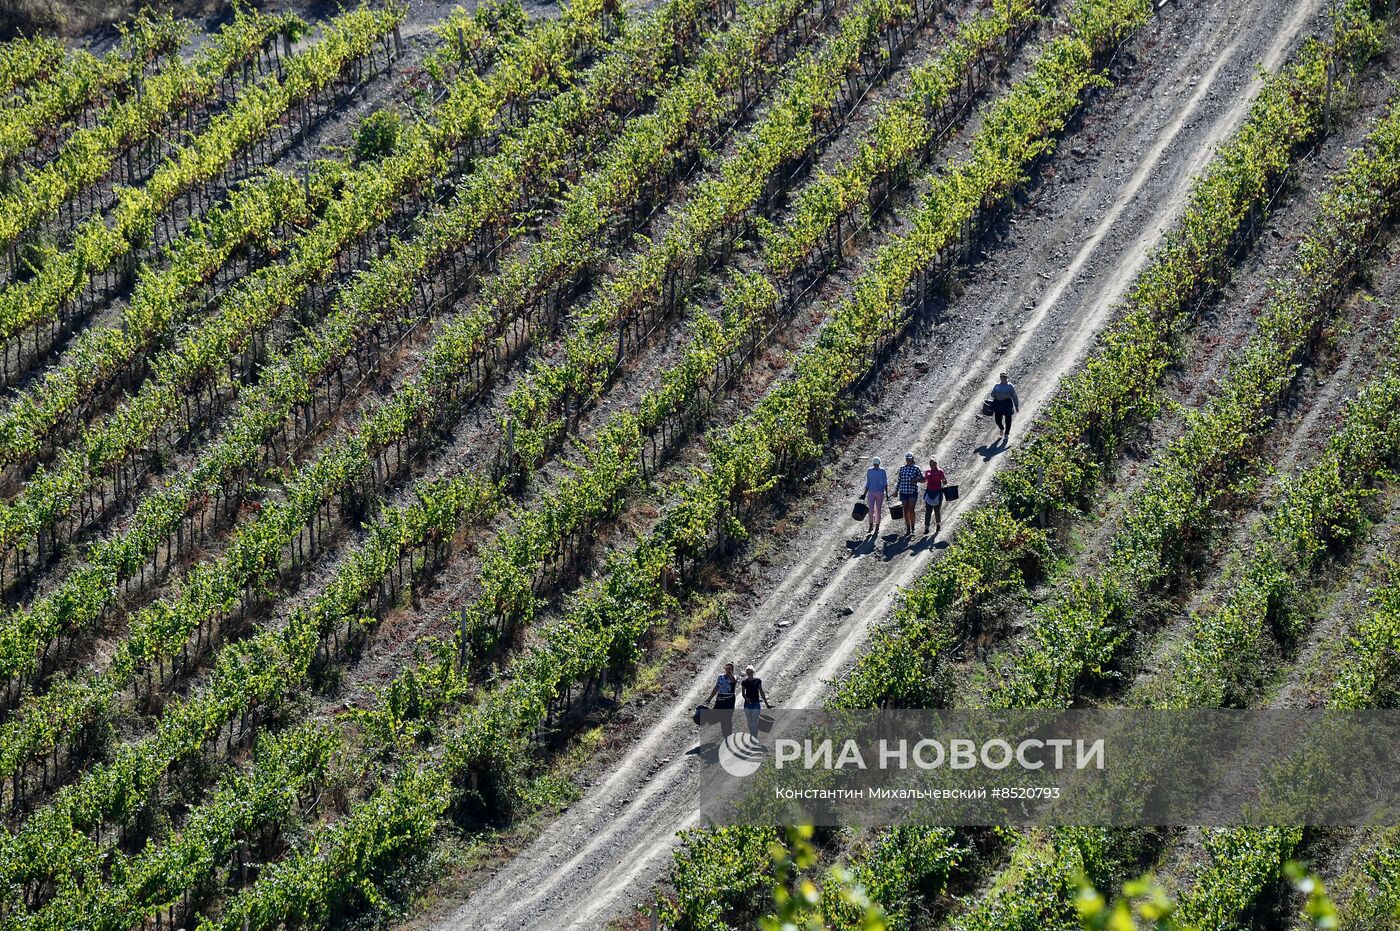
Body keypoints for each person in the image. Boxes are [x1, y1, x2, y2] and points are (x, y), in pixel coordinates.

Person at [705, 662, 738, 738]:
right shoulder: (720, 677)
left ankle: (729, 735)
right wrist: (710, 698)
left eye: (730, 668)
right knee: (721, 717)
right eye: (727, 668)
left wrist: (730, 673)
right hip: (720, 698)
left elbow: (733, 681)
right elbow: (717, 687)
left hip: (729, 699)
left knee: (728, 718)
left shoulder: (734, 676)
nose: (728, 669)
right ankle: (726, 736)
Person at [895, 452, 923, 537]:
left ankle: (913, 527)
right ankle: (908, 528)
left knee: (911, 509)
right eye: (907, 459)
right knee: (905, 510)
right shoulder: (902, 468)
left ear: (912, 459)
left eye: (909, 459)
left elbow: (923, 479)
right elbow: (899, 480)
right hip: (903, 492)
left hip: (912, 492)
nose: (908, 460)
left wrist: (916, 480)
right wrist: (896, 490)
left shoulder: (916, 468)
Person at [740, 665, 771, 738]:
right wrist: (746, 698)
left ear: (753, 672)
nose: (749, 674)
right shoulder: (744, 682)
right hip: (747, 704)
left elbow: (761, 692)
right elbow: (743, 693)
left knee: (754, 721)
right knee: (749, 722)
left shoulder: (757, 681)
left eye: (750, 672)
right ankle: (752, 735)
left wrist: (766, 703)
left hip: (756, 703)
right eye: (747, 672)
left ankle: (755, 737)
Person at [991, 372, 1020, 440]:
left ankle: (1006, 433)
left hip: (1007, 403)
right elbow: (992, 394)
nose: (1004, 378)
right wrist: (995, 395)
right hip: (998, 403)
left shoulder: (1010, 386)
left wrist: (1016, 405)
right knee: (997, 420)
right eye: (1002, 377)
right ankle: (1001, 428)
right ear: (1000, 378)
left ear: (1007, 378)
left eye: (1005, 377)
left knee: (1008, 420)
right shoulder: (997, 386)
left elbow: (1014, 396)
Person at [864, 456, 888, 536]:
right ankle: (871, 525)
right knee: (870, 510)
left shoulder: (882, 471)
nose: (875, 466)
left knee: (878, 510)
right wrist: (864, 493)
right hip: (871, 491)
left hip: (880, 492)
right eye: (874, 464)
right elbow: (868, 482)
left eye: (877, 464)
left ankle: (877, 527)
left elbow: (885, 482)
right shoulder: (869, 471)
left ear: (879, 464)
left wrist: (887, 493)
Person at [923, 457, 947, 535]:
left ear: (936, 464)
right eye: (930, 464)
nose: (932, 466)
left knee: (937, 511)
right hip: (929, 492)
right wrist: (918, 479)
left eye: (933, 464)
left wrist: (944, 481)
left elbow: (944, 481)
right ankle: (927, 528)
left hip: (937, 492)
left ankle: (938, 525)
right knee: (928, 511)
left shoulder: (940, 471)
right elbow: (925, 480)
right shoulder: (928, 472)